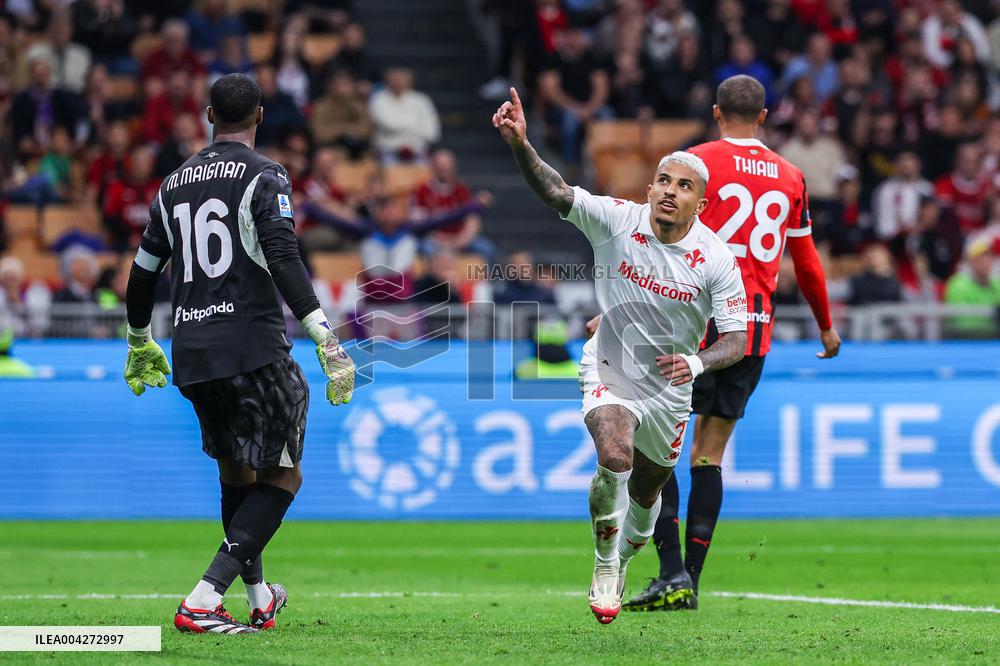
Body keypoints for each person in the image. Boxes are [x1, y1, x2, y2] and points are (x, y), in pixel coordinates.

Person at [493, 86, 749, 624]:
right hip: (610, 366)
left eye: (684, 186)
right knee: (614, 456)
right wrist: (521, 144)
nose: (668, 192)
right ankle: (605, 563)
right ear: (650, 186)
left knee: (648, 492)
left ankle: (627, 553)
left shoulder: (716, 260)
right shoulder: (617, 219)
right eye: (662, 181)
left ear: (700, 204)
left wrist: (698, 363)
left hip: (671, 389)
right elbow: (557, 191)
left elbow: (737, 339)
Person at [123, 74, 355, 635]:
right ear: (260, 115)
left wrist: (136, 338)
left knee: (237, 470)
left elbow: (142, 272)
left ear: (208, 114)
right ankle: (204, 596)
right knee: (284, 476)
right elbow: (282, 255)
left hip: (193, 352)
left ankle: (257, 597)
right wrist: (324, 333)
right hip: (252, 345)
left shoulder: (173, 182)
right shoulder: (264, 174)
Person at [613, 75, 840, 612]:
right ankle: (688, 579)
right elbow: (804, 261)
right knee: (708, 456)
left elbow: (658, 242)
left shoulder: (695, 163)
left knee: (657, 449)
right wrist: (825, 324)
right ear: (764, 117)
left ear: (717, 112)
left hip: (687, 323)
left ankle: (670, 572)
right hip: (751, 331)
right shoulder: (792, 176)